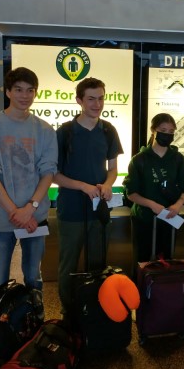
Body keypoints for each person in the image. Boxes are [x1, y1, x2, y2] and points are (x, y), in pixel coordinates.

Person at [0, 67, 57, 294]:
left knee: (33, 278)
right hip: (2, 219)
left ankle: (34, 326)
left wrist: (30, 209)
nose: (24, 95)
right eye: (18, 90)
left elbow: (47, 172)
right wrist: (16, 212)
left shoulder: (45, 130)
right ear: (8, 92)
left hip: (35, 218)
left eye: (30, 90)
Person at [53, 77, 123, 314]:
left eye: (101, 98)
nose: (97, 104)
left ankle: (94, 308)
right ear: (79, 100)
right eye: (91, 98)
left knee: (98, 262)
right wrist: (83, 186)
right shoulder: (65, 132)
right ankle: (68, 310)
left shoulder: (108, 130)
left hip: (99, 209)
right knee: (68, 264)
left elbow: (112, 168)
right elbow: (55, 175)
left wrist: (108, 183)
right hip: (71, 209)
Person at [124, 113, 184, 264]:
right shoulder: (139, 159)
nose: (167, 134)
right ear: (153, 130)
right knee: (143, 259)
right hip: (144, 218)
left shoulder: (177, 159)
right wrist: (152, 205)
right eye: (163, 130)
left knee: (166, 259)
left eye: (171, 131)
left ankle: (162, 287)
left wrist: (178, 204)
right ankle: (142, 287)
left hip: (169, 218)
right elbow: (131, 193)